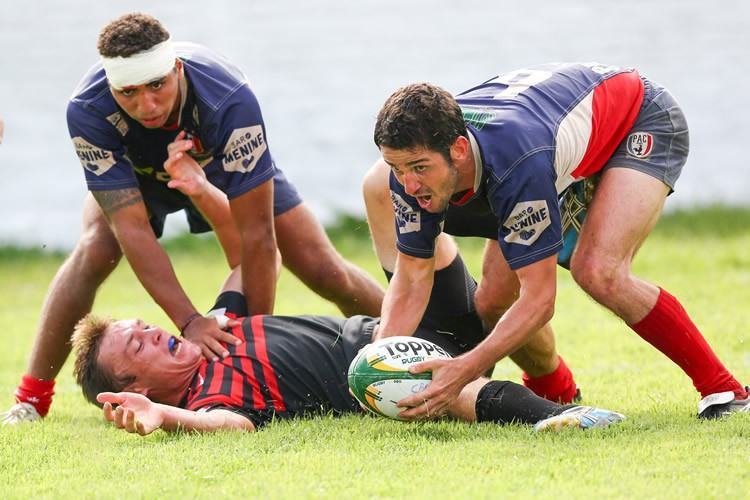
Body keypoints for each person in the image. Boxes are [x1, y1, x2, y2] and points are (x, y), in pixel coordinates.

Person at [1, 12, 383, 424]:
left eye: (157, 85)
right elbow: (132, 228)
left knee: (323, 269)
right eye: (128, 92)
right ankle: (31, 399)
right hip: (138, 176)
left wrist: (253, 340)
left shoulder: (229, 99)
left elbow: (256, 236)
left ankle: (417, 332)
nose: (146, 105)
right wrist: (190, 321)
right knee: (96, 247)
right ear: (111, 87)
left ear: (177, 69)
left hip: (219, 168)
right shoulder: (87, 110)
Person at [363, 62, 749, 420]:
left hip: (638, 118)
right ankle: (557, 391)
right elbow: (412, 277)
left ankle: (725, 391)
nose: (408, 184)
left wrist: (464, 370)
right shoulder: (411, 168)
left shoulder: (518, 165)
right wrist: (376, 364)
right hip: (548, 139)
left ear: (458, 150)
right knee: (495, 297)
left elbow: (540, 301)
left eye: (418, 169)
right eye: (396, 168)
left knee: (598, 271)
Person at [71, 266, 625, 435]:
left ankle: (555, 383)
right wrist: (165, 417)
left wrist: (198, 188)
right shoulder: (204, 393)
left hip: (397, 321)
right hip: (380, 372)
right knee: (436, 388)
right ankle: (568, 417)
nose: (153, 331)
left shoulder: (211, 330)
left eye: (144, 324)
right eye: (138, 343)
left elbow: (246, 260)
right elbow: (231, 427)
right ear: (134, 387)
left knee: (382, 191)